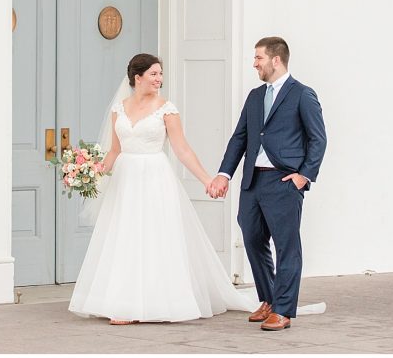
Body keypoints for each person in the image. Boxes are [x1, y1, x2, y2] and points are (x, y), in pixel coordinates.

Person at [68, 53, 256, 324]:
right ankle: (123, 302)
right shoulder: (119, 109)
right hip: (125, 179)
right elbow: (115, 150)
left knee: (153, 237)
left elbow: (182, 150)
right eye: (154, 74)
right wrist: (90, 173)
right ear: (138, 77)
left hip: (154, 177)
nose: (159, 79)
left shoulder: (166, 109)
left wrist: (207, 179)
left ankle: (154, 301)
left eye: (161, 74)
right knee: (124, 237)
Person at [207, 36, 327, 331]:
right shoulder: (255, 96)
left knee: (287, 246)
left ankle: (283, 310)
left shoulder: (302, 94)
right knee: (252, 238)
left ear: (276, 59)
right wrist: (224, 173)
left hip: (284, 181)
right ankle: (269, 298)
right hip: (253, 181)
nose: (254, 63)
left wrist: (303, 176)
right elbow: (240, 138)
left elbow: (318, 138)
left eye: (258, 58)